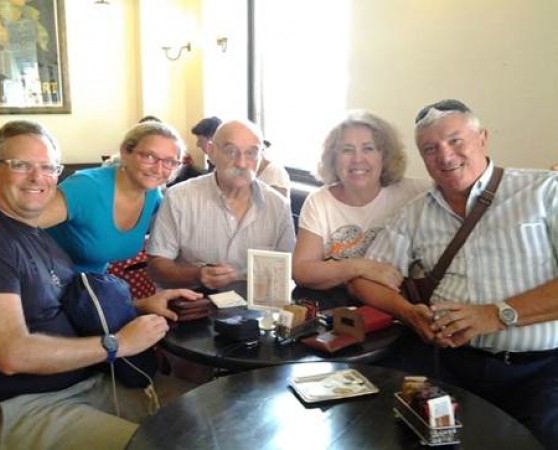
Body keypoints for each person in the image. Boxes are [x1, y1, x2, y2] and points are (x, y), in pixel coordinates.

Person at [0, 120, 193, 449]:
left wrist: (140, 306)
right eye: (20, 165)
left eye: (48, 168)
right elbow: (13, 354)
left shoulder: (40, 237)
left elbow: (64, 305)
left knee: (203, 415)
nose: (37, 177)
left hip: (81, 383)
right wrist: (118, 344)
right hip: (12, 409)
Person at [350, 99, 558, 447]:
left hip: (541, 372)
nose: (445, 156)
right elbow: (363, 281)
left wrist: (496, 314)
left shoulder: (544, 191)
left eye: (455, 140)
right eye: (430, 149)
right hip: (450, 366)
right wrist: (408, 313)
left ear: (483, 138)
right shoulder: (415, 214)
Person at [0, 121, 203, 320]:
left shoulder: (154, 196)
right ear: (126, 152)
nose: (159, 168)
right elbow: (13, 221)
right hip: (41, 297)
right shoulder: (87, 188)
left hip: (89, 298)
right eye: (149, 156)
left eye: (170, 161)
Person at [147, 119, 296, 291]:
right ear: (211, 151)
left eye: (251, 153)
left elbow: (287, 269)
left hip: (253, 304)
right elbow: (156, 266)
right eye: (231, 151)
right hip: (193, 302)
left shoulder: (278, 206)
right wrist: (197, 275)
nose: (241, 163)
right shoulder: (179, 198)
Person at [293, 111, 431, 293]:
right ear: (333, 158)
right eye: (347, 150)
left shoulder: (414, 192)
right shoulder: (319, 202)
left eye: (368, 148)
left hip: (394, 302)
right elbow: (302, 271)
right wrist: (361, 267)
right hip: (336, 304)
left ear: (385, 156)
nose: (357, 159)